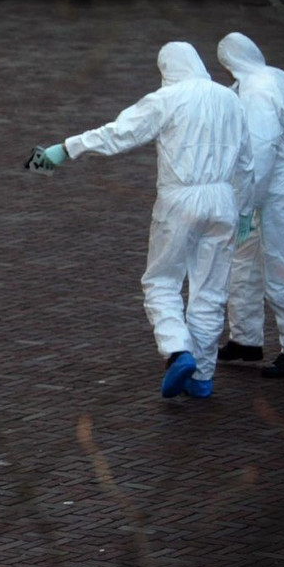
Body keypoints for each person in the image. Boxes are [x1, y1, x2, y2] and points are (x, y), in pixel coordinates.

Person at [35, 41, 254, 399]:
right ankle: (202, 375)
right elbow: (246, 163)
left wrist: (66, 149)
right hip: (223, 200)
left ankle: (178, 350)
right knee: (210, 290)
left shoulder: (166, 99)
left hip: (180, 198)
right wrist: (244, 211)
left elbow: (119, 134)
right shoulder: (230, 100)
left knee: (162, 281)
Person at [216, 32, 284, 379]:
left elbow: (261, 150)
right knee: (243, 264)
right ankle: (245, 339)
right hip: (273, 187)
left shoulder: (257, 90)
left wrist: (246, 206)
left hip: (275, 191)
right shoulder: (276, 77)